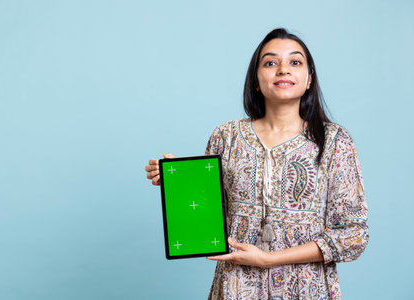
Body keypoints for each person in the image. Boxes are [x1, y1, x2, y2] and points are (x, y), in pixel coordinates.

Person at [145, 28, 369, 299]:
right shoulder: (225, 136)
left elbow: (353, 235)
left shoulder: (334, 141)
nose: (283, 69)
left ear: (309, 79)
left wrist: (270, 259)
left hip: (305, 288)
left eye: (295, 62)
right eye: (270, 62)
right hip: (238, 285)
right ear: (255, 80)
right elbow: (211, 219)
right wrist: (178, 182)